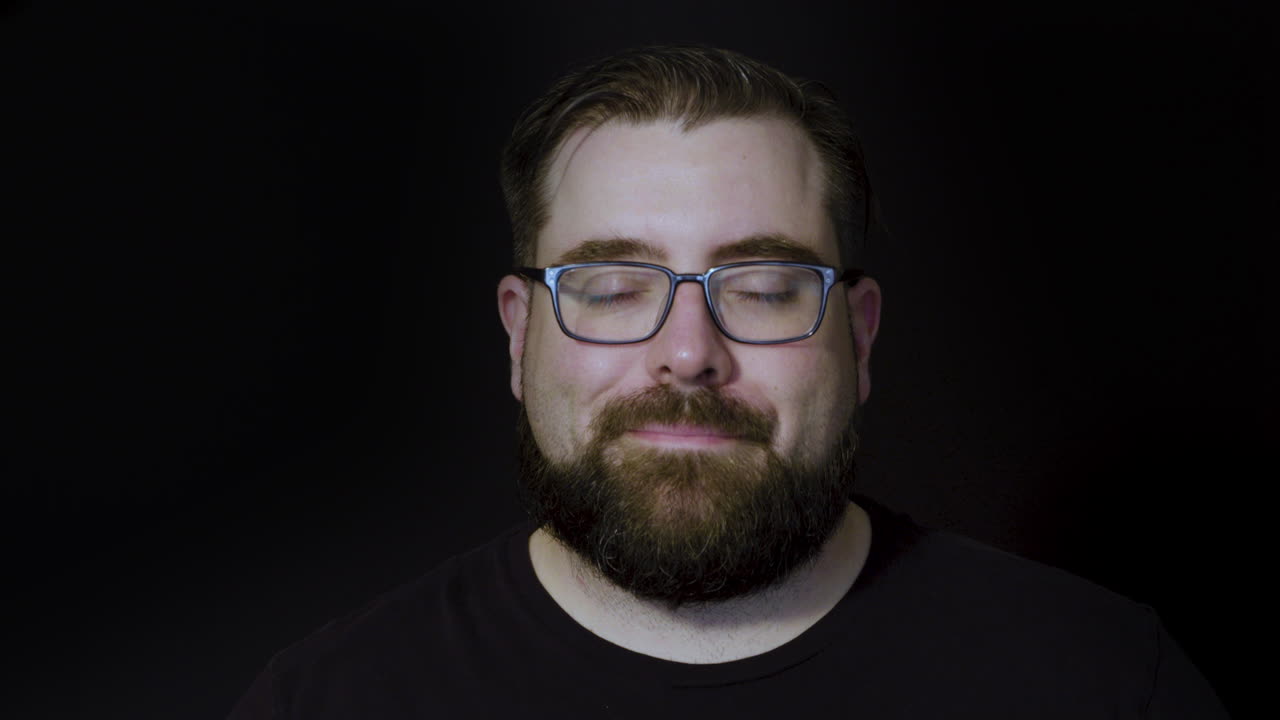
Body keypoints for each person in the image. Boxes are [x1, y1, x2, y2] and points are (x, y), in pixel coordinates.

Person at [229, 45, 1228, 719]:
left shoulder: (1096, 681)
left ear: (860, 335)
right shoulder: (330, 700)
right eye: (613, 288)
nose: (687, 352)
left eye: (759, 287)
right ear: (517, 334)